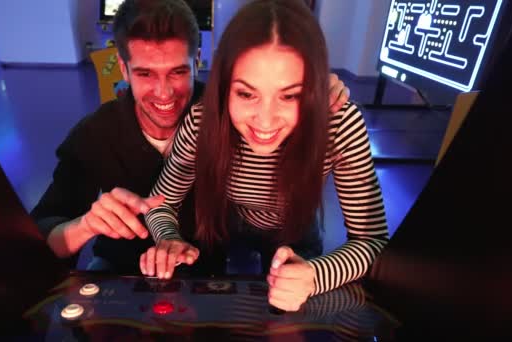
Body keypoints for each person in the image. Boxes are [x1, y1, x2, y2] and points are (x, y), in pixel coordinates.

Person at [30, 0, 351, 274]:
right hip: (121, 266)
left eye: (177, 72)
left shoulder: (226, 115)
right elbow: (38, 237)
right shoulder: (94, 136)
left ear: (197, 62)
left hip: (206, 268)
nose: (164, 93)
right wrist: (85, 225)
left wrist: (309, 87)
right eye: (144, 74)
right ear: (124, 70)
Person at [141, 0, 389, 312]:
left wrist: (314, 275)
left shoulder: (337, 123)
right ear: (224, 88)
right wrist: (168, 239)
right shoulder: (203, 121)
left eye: (290, 95)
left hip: (297, 226)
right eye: (246, 93)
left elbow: (373, 241)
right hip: (228, 219)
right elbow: (161, 204)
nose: (266, 121)